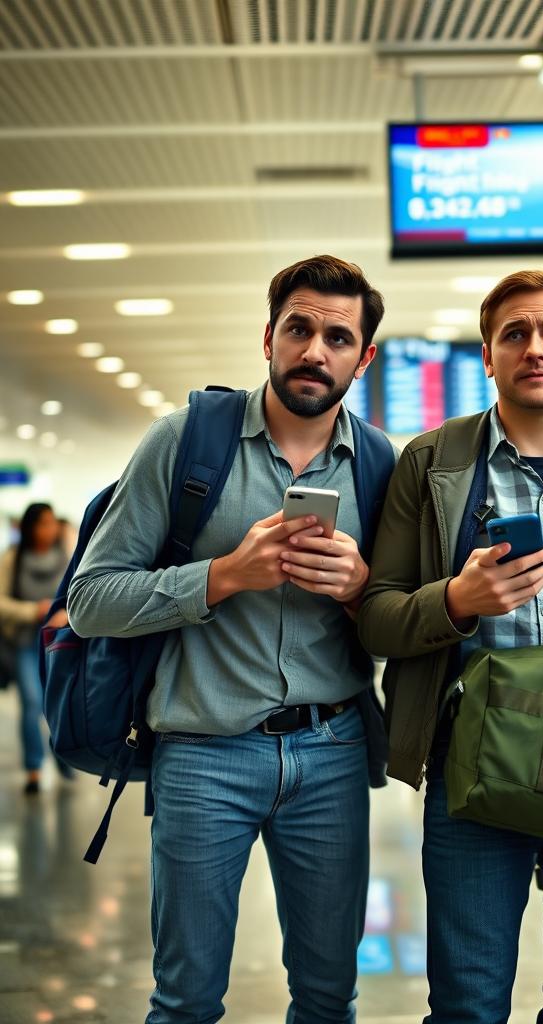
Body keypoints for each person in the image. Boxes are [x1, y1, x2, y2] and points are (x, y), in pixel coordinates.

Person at [67, 255, 393, 1024]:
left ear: (364, 357)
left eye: (339, 337)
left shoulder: (382, 465)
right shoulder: (185, 442)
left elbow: (400, 627)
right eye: (300, 328)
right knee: (185, 1000)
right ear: (269, 337)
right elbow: (89, 601)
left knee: (327, 996)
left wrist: (359, 591)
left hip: (332, 753)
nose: (316, 350)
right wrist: (223, 575)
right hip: (202, 755)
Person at [359, 270, 543, 1023]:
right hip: (475, 766)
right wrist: (457, 602)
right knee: (466, 1003)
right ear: (489, 356)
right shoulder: (431, 464)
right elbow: (374, 615)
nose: (536, 348)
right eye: (514, 334)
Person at [0, 502, 74, 794]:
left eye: (52, 522)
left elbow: (78, 596)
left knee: (58, 703)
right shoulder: (13, 559)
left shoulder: (64, 558)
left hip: (60, 643)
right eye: (42, 523)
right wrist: (34, 611)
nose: (48, 529)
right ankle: (33, 768)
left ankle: (64, 755)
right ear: (30, 527)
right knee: (32, 703)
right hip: (25, 642)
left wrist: (65, 612)